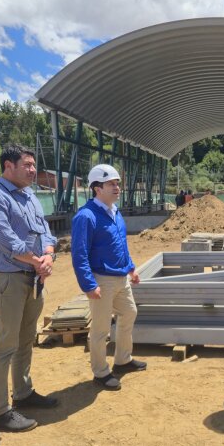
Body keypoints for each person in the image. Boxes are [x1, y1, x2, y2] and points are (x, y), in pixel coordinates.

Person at [0, 144, 58, 432]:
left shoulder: (29, 195)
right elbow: (6, 241)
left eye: (34, 165)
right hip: (9, 280)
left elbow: (46, 231)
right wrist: (38, 261)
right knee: (4, 346)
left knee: (25, 340)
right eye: (27, 165)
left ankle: (22, 393)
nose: (33, 170)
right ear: (8, 166)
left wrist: (48, 256)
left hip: (33, 278)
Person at [71, 164, 146, 392]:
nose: (117, 188)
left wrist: (131, 268)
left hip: (121, 277)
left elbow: (121, 244)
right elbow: (79, 254)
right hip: (101, 280)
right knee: (101, 329)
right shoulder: (86, 216)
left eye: (117, 183)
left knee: (129, 312)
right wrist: (89, 284)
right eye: (111, 184)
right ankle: (101, 372)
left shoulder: (115, 212)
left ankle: (122, 359)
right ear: (97, 188)